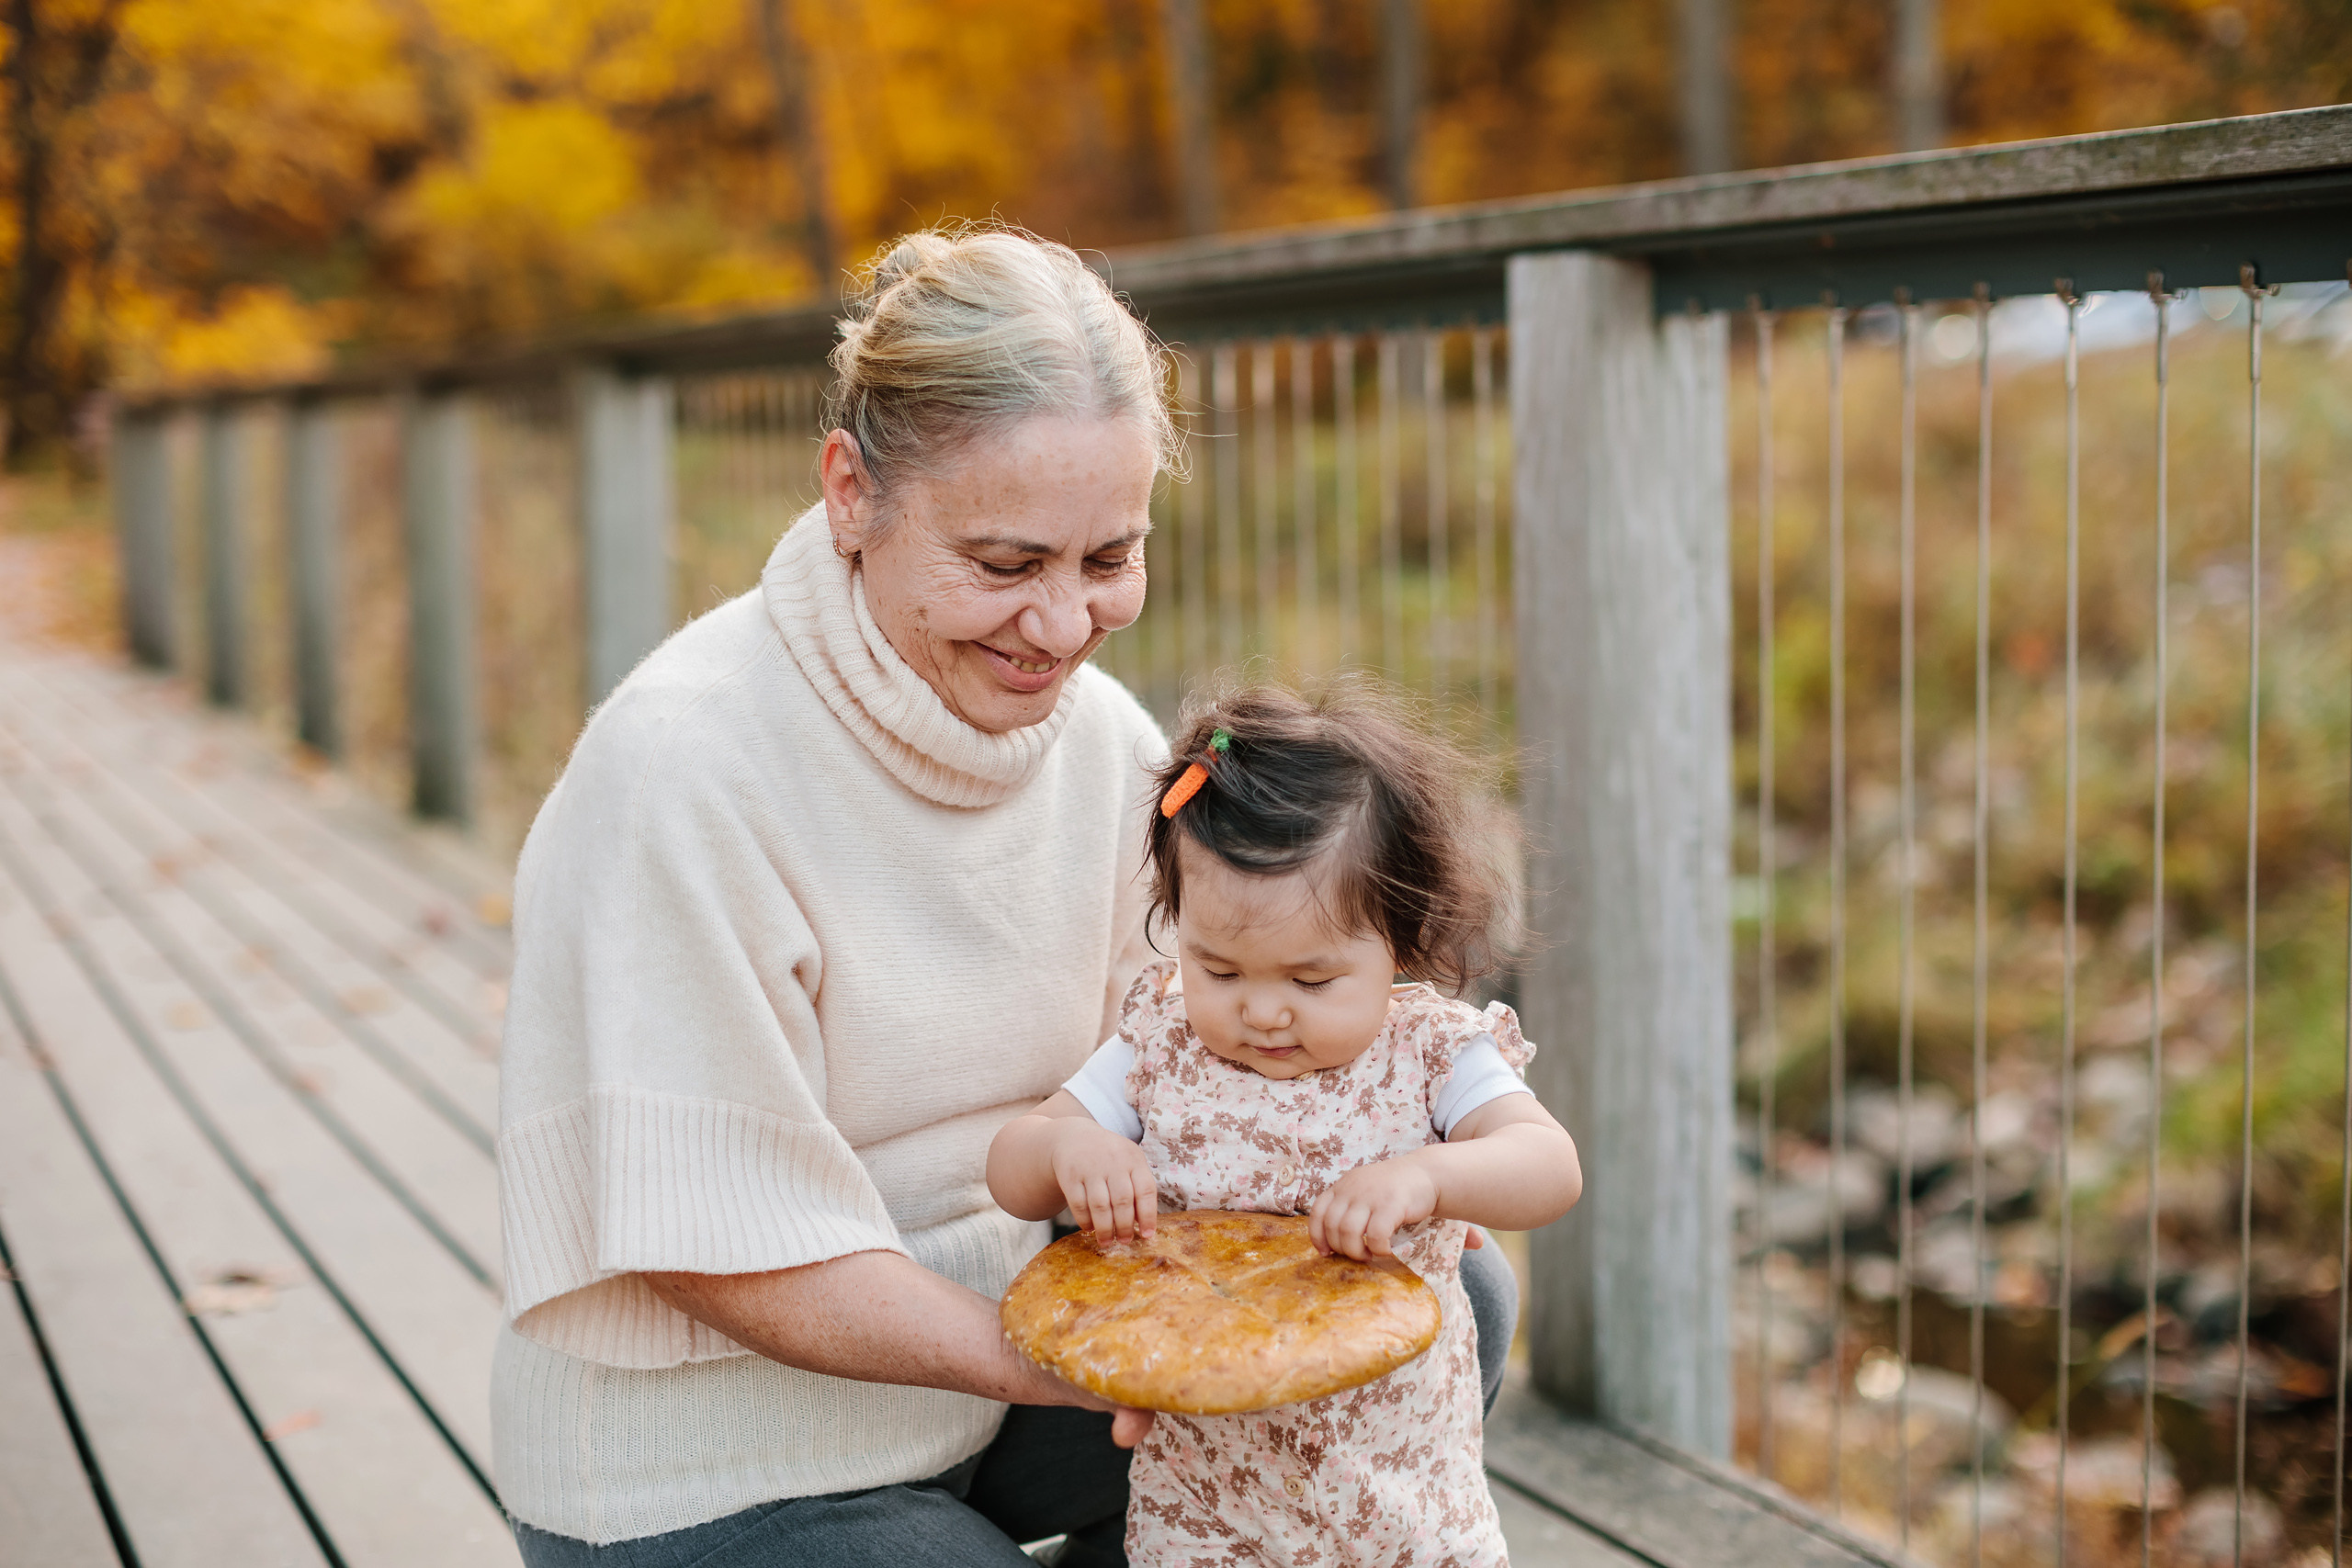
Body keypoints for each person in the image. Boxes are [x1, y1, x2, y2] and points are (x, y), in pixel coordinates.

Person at [492, 224, 1522, 1567]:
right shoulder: (683, 766)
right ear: (851, 491)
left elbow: (1204, 1060)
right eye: (1004, 563)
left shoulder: (1103, 745)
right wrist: (1056, 1363)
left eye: (1108, 561)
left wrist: (1391, 1166)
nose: (1060, 626)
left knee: (1447, 1300)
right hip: (721, 1463)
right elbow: (709, 1243)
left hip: (1005, 1369)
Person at [989, 680, 1583, 1566]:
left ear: (1399, 939)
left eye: (1310, 982)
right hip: (1208, 1491)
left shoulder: (1431, 1053)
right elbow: (1012, 1164)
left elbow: (1549, 1165)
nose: (1263, 1012)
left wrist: (1429, 1177)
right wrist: (1073, 1148)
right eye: (1219, 969)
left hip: (1395, 1480)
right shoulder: (1164, 1046)